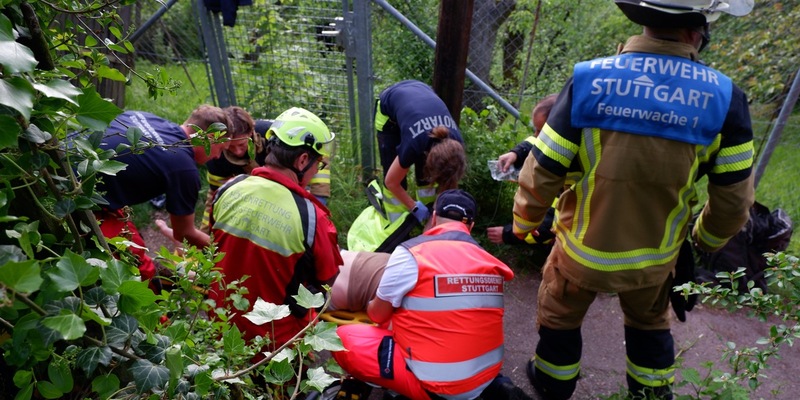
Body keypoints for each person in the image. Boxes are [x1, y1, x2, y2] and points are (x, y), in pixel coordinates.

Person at [512, 1, 756, 399]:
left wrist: (524, 223)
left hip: (580, 254)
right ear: (695, 33)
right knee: (649, 325)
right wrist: (704, 240)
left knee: (560, 314)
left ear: (642, 19)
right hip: (655, 261)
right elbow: (733, 202)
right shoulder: (727, 99)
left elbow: (541, 171)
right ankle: (650, 393)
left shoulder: (588, 80)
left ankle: (552, 383)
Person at [333, 189, 515, 399]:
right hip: (485, 376)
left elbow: (377, 315)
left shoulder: (411, 253)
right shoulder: (491, 265)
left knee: (343, 338)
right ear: (471, 227)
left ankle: (407, 388)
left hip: (438, 389)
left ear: (434, 218)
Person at [208, 107, 342, 353]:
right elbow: (326, 285)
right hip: (275, 342)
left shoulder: (229, 188)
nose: (316, 172)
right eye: (318, 165)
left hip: (220, 326)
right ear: (302, 160)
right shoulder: (312, 218)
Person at [94, 105, 232, 282]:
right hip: (84, 199)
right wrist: (224, 251)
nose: (218, 157)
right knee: (141, 270)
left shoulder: (145, 116)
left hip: (68, 160)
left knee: (132, 239)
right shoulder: (183, 168)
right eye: (220, 149)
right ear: (210, 138)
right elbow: (184, 233)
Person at [375, 79, 467, 224]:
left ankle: (430, 219)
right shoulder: (413, 145)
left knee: (425, 180)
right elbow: (392, 182)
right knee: (393, 178)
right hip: (390, 110)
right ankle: (396, 225)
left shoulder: (457, 143)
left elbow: (450, 180)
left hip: (421, 92)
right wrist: (414, 207)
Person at [487, 94, 558, 247]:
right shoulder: (556, 139)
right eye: (535, 130)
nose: (536, 136)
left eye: (541, 132)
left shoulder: (568, 170)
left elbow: (550, 226)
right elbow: (534, 141)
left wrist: (508, 234)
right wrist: (516, 153)